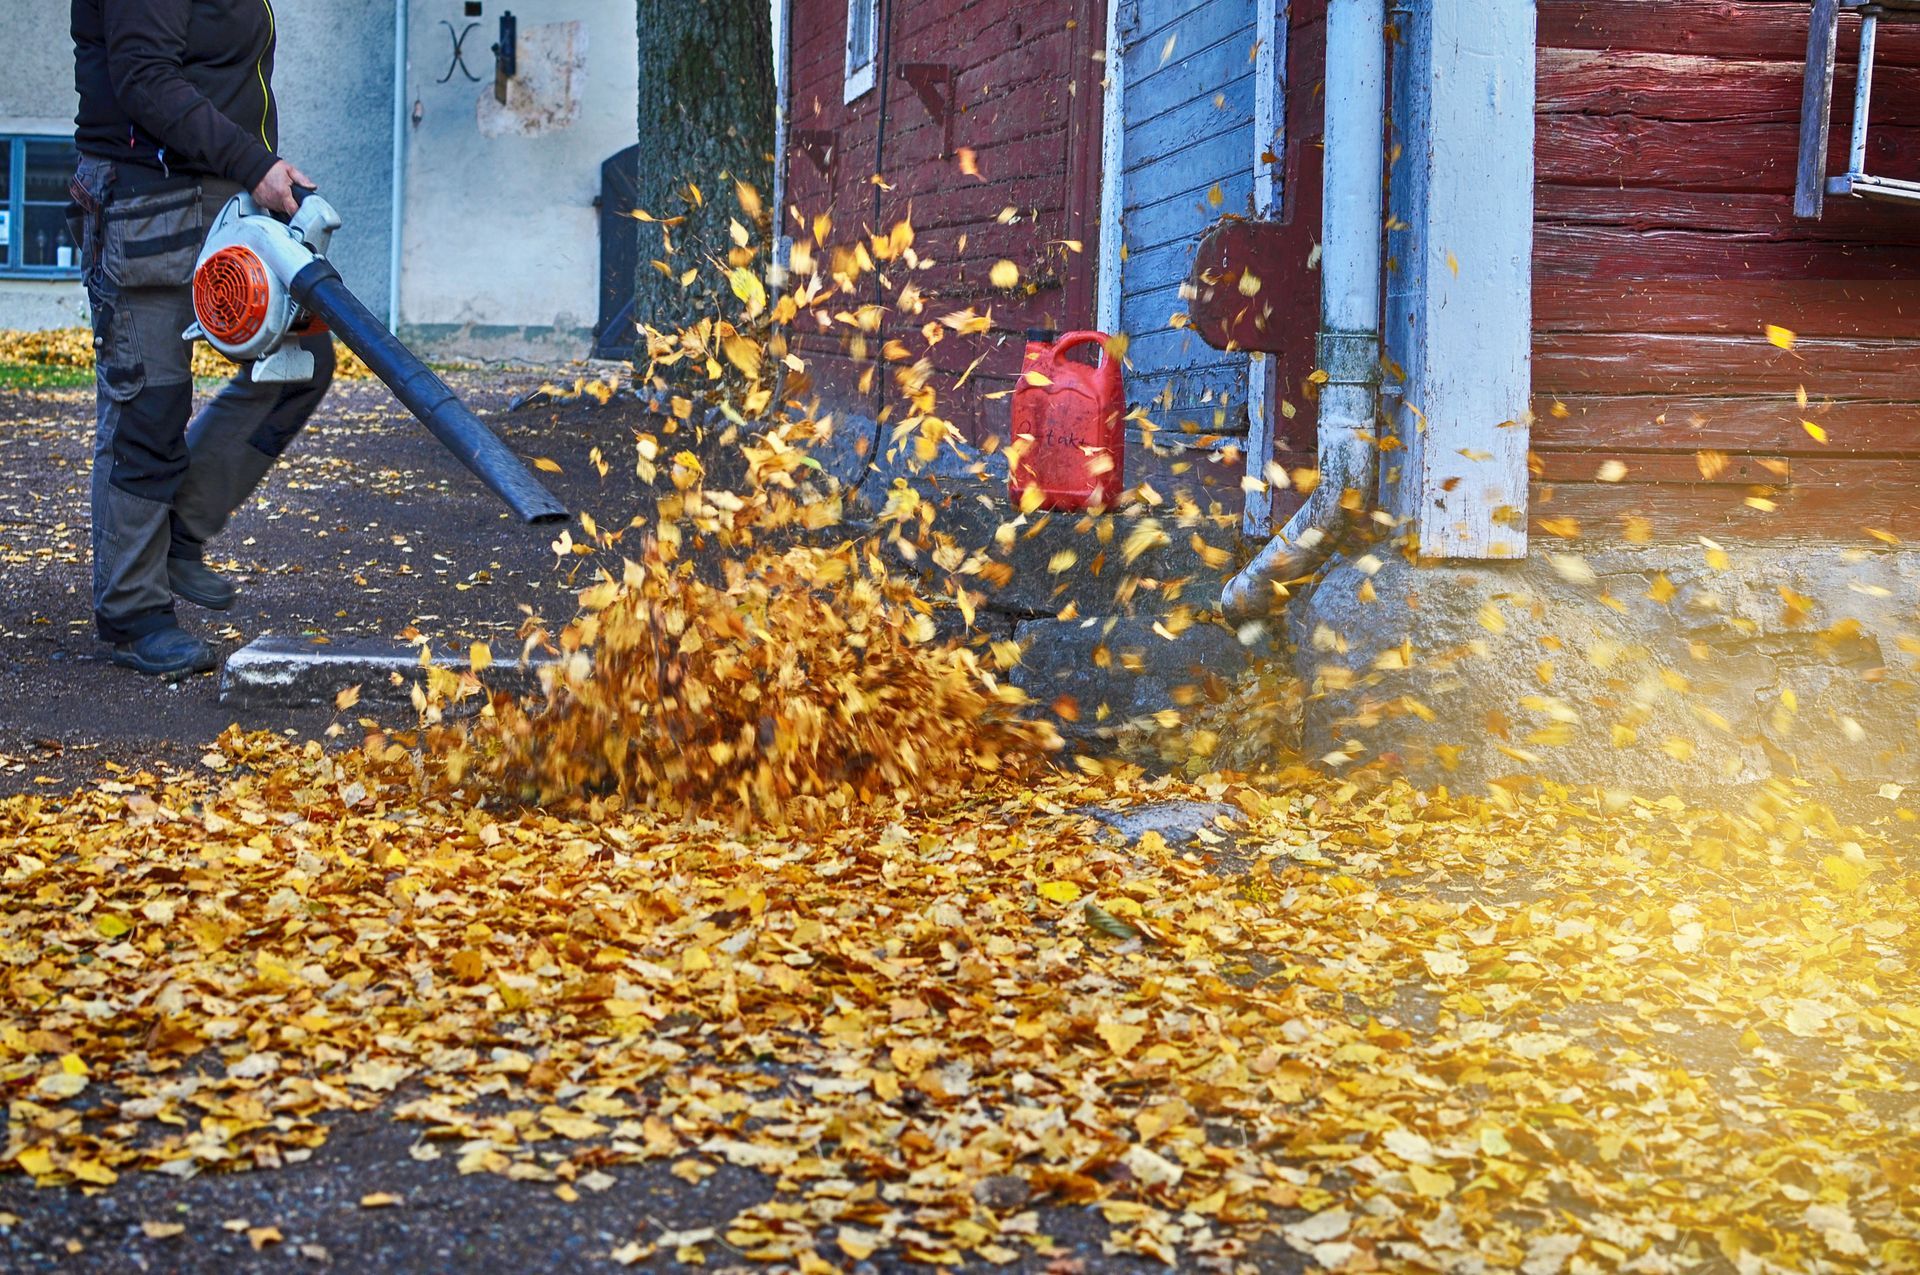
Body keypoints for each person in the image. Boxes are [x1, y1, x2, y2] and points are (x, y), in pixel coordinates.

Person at [70, 0, 333, 677]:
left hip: (224, 199)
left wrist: (256, 167)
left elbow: (219, 79)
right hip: (143, 201)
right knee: (147, 406)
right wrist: (254, 161)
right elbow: (143, 77)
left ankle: (179, 527)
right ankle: (133, 614)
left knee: (301, 360)